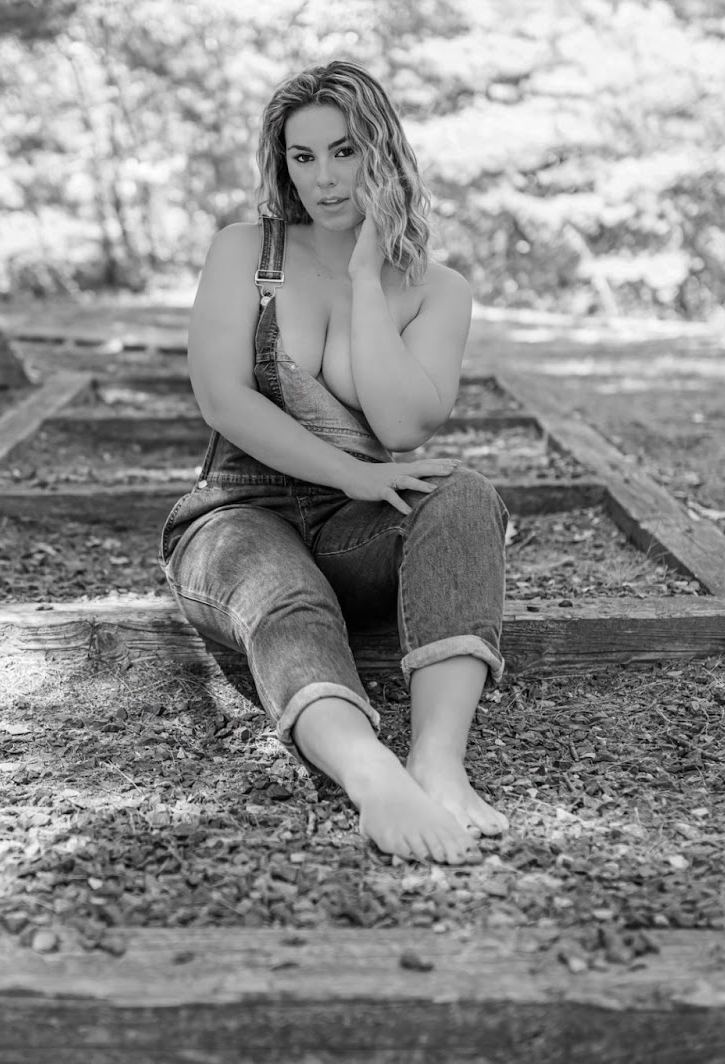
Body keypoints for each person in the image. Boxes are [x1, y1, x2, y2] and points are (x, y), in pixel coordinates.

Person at [159, 60, 508, 865]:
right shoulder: (245, 250)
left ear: (382, 153)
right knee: (281, 588)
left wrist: (364, 279)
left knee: (463, 492)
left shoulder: (436, 289)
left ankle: (439, 763)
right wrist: (352, 473)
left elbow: (403, 423)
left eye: (345, 152)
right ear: (283, 165)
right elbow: (224, 400)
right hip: (236, 515)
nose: (324, 178)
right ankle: (372, 777)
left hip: (357, 527)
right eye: (303, 156)